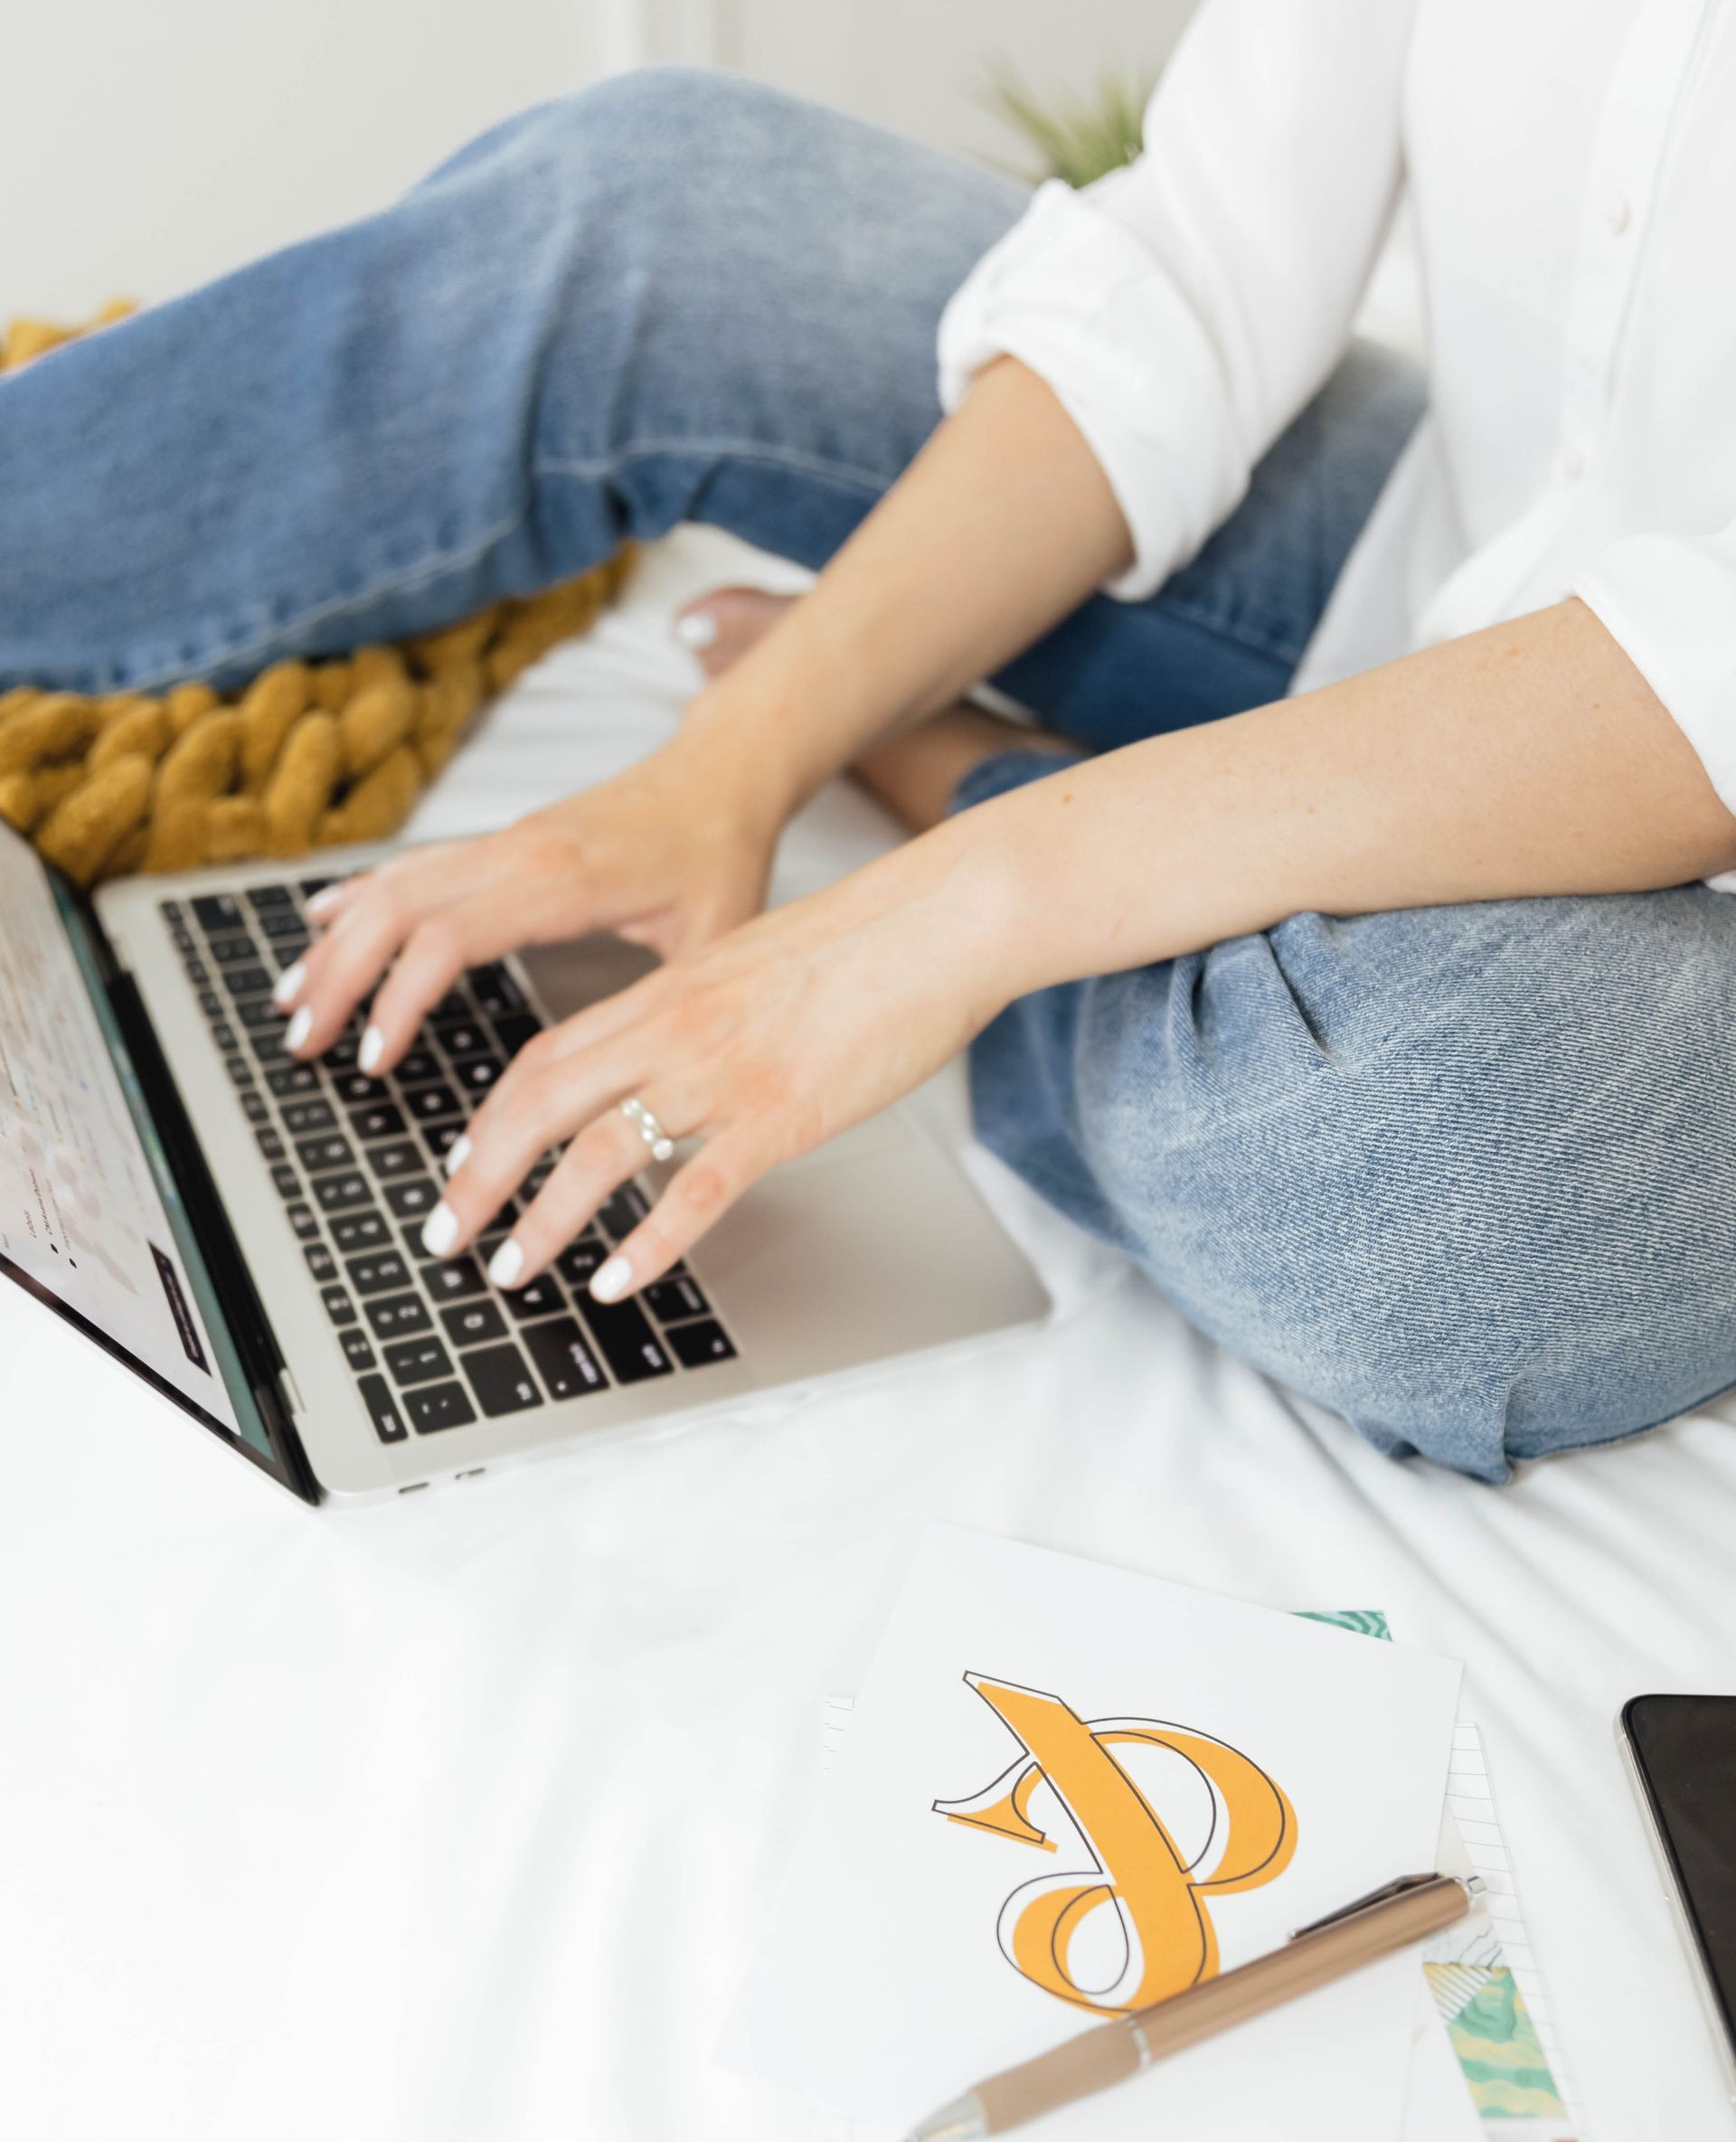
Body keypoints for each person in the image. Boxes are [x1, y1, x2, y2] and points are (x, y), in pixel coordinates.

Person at [5, 6, 1736, 1484]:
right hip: (1443, 569)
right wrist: (730, 764)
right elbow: (1210, 267)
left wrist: (959, 893)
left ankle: (964, 762)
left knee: (1443, 1167)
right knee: (652, 208)